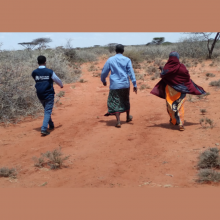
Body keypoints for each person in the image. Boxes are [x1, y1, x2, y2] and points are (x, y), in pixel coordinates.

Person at [150, 51, 206, 131]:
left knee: (170, 105)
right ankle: (181, 123)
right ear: (177, 58)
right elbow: (187, 77)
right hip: (181, 90)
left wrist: (162, 69)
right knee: (180, 106)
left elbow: (163, 74)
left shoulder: (167, 67)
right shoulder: (181, 67)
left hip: (169, 90)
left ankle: (174, 121)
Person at [101, 44, 137, 128]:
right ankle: (128, 117)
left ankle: (118, 121)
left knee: (115, 101)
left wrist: (103, 80)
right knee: (125, 99)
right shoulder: (127, 60)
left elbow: (104, 72)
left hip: (115, 84)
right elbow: (131, 73)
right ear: (123, 51)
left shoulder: (110, 60)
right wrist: (134, 84)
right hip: (125, 84)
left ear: (115, 51)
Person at [32, 55, 63, 135]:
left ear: (38, 62)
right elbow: (57, 80)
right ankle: (44, 129)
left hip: (40, 94)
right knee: (48, 111)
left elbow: (35, 79)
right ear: (45, 62)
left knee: (46, 110)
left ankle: (51, 125)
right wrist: (61, 85)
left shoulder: (34, 72)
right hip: (48, 93)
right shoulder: (49, 71)